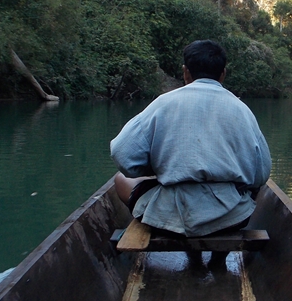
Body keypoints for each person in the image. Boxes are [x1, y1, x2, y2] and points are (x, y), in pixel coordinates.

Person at [110, 39, 271, 237]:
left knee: (120, 180)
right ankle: (218, 259)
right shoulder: (241, 109)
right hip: (230, 218)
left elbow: (122, 154)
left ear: (186, 72)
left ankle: (165, 228)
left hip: (167, 216)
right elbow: (261, 174)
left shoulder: (163, 103)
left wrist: (157, 168)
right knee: (250, 192)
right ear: (223, 74)